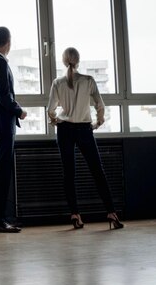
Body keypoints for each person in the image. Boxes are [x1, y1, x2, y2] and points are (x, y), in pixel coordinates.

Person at [47, 47, 124, 230]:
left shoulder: (57, 83)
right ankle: (111, 213)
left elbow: (50, 110)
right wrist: (97, 123)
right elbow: (100, 106)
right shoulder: (88, 81)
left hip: (64, 130)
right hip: (84, 129)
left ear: (64, 61)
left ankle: (75, 215)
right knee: (97, 171)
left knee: (69, 174)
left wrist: (56, 121)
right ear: (78, 60)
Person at [0, 26, 27, 233]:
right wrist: (19, 111)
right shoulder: (0, 63)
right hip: (2, 125)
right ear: (8, 42)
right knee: (1, 172)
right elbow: (3, 95)